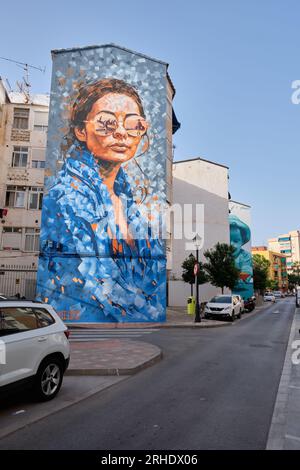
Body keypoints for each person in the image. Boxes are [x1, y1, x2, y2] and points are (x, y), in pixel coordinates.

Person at [37, 78, 166, 323]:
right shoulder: (64, 198)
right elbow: (99, 287)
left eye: (133, 124)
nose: (121, 132)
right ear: (81, 130)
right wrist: (146, 312)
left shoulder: (128, 204)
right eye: (107, 122)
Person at [229, 214, 253, 298]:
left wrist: (241, 279)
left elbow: (247, 270)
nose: (231, 244)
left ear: (242, 241)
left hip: (239, 288)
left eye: (236, 241)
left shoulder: (245, 255)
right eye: (228, 240)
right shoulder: (221, 254)